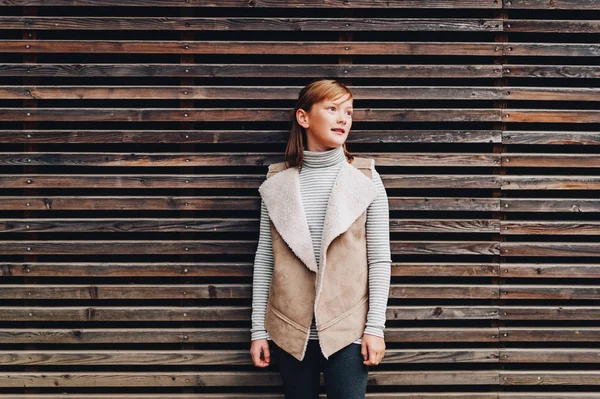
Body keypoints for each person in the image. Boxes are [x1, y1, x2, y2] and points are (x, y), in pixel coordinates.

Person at [249, 78, 392, 398]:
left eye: (349, 112)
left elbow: (380, 259)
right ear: (304, 117)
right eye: (332, 109)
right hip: (290, 330)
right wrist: (259, 329)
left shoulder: (366, 179)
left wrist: (375, 328)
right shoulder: (276, 182)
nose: (343, 118)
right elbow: (265, 259)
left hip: (349, 330)